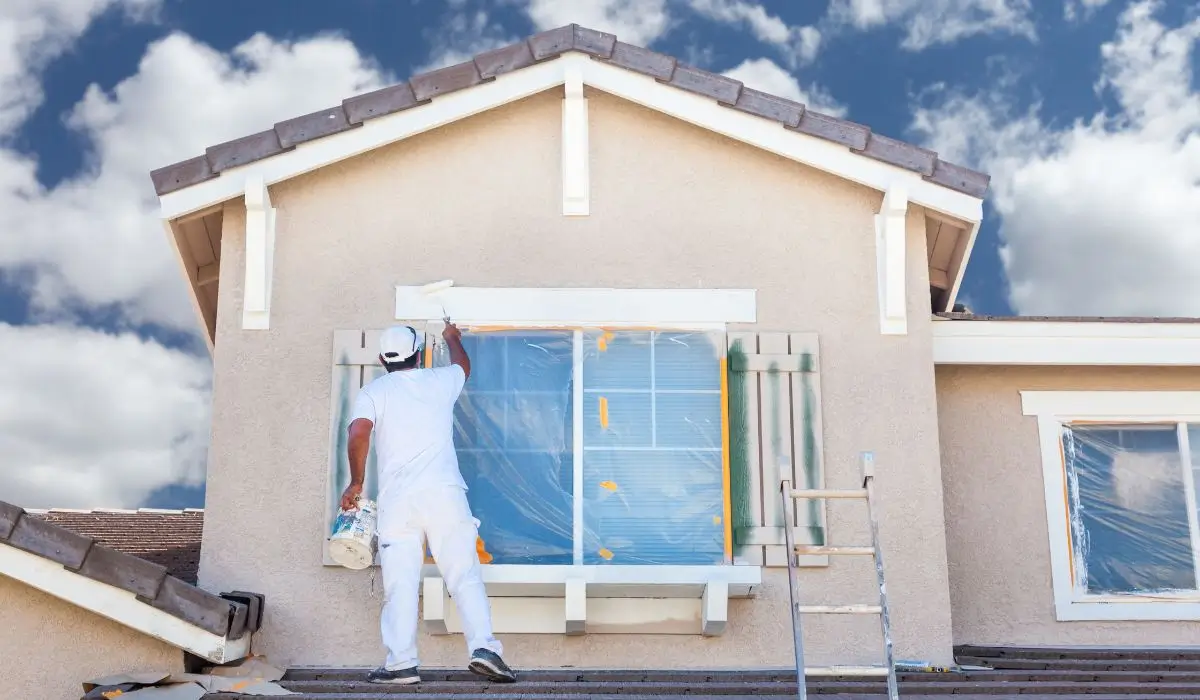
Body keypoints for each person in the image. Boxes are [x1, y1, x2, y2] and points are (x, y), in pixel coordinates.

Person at [339, 322, 516, 685]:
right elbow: (463, 366)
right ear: (419, 355)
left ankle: (401, 664)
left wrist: (356, 482)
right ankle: (485, 649)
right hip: (444, 497)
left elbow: (358, 433)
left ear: (380, 361)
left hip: (398, 504)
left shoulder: (373, 392)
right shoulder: (439, 382)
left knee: (400, 584)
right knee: (464, 575)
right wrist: (452, 338)